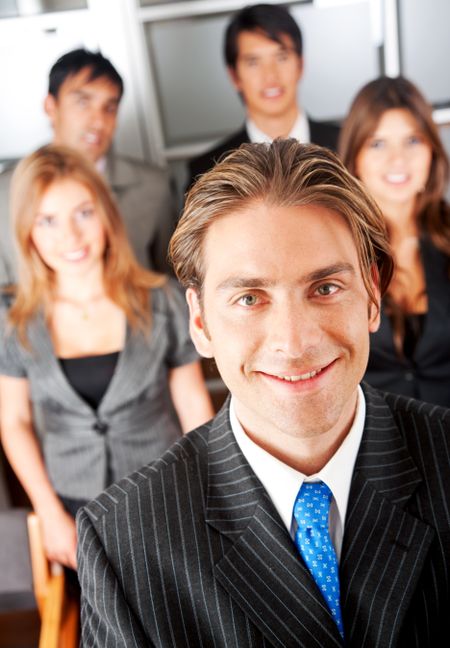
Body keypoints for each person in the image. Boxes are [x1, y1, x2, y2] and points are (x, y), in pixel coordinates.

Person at [78, 140, 449, 647]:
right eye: (250, 298)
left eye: (325, 288)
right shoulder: (125, 541)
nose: (294, 343)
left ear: (371, 296)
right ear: (201, 321)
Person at [0, 145, 213, 570]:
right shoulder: (14, 320)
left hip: (165, 494)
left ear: (105, 214)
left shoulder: (163, 301)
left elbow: (193, 406)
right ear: (27, 231)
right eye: (48, 221)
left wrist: (208, 491)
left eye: (83, 213)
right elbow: (14, 422)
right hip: (74, 511)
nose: (70, 238)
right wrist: (49, 513)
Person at [0, 48, 176, 285]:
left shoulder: (152, 187)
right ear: (51, 106)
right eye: (83, 102)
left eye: (110, 108)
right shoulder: (6, 192)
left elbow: (172, 280)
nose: (98, 121)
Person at [339, 76, 450, 407]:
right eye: (378, 144)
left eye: (412, 141)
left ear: (431, 148)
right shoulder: (335, 248)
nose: (398, 160)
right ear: (355, 156)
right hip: (377, 447)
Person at [187, 3, 339, 188]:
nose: (270, 76)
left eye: (281, 58)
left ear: (300, 65)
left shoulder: (347, 147)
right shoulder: (207, 172)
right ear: (234, 76)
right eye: (253, 63)